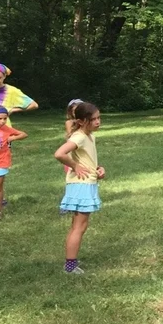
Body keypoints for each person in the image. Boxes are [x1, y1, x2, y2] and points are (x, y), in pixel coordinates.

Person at [53, 101, 105, 275]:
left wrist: (98, 169)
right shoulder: (79, 137)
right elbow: (59, 153)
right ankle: (70, 266)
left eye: (99, 118)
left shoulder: (89, 135)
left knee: (78, 226)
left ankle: (71, 260)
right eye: (93, 119)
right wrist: (75, 166)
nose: (98, 122)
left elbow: (87, 159)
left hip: (87, 182)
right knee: (79, 227)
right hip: (81, 185)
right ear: (81, 121)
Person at [0, 105, 27, 222]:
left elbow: (23, 134)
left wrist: (12, 138)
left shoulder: (6, 129)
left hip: (1, 162)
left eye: (5, 119)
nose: (3, 121)